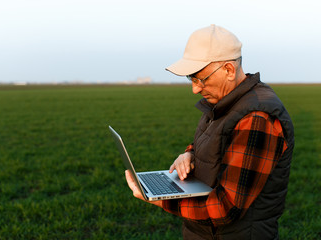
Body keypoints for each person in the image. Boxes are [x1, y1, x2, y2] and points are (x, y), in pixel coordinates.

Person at [125, 24, 294, 239]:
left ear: (229, 70)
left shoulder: (257, 118)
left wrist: (159, 199)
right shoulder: (226, 101)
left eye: (200, 79)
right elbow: (216, 142)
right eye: (191, 79)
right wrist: (190, 155)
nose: (194, 88)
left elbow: (225, 207)